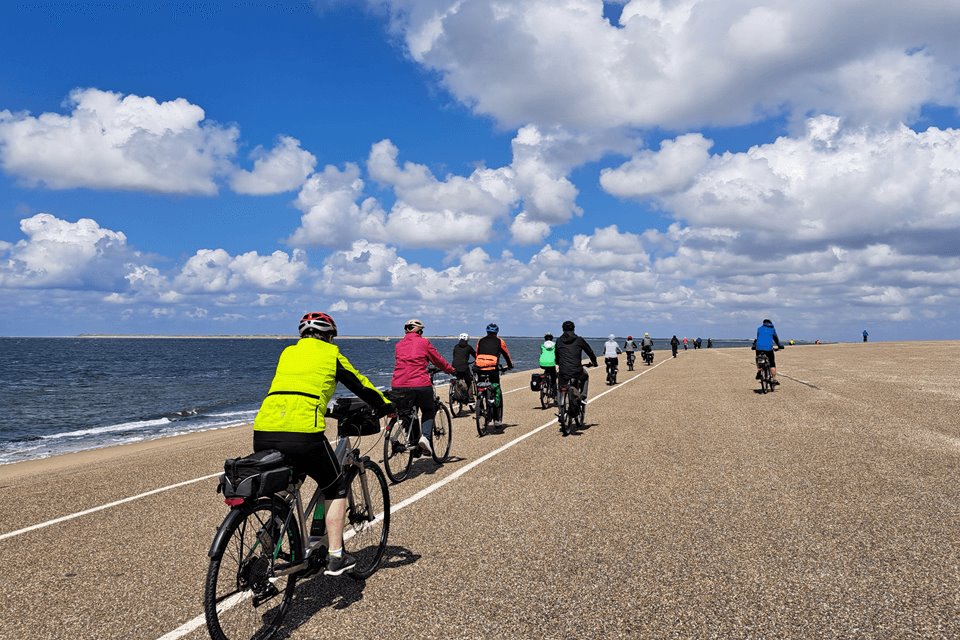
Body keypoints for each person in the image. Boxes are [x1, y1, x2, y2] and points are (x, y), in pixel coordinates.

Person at [253, 312, 394, 576]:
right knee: (336, 485)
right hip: (304, 433)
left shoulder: (287, 353)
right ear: (329, 336)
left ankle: (271, 530)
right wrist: (384, 405)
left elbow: (296, 387)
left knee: (290, 480)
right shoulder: (331, 354)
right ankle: (336, 556)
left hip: (264, 429)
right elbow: (359, 384)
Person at [391, 318, 456, 456]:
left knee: (408, 413)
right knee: (428, 409)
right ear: (419, 331)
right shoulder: (424, 342)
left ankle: (414, 446)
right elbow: (438, 360)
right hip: (420, 384)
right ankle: (425, 438)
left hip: (398, 385)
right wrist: (450, 370)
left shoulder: (399, 345)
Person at [555, 320, 598, 433]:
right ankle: (583, 397)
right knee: (585, 376)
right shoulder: (579, 340)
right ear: (574, 329)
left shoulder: (559, 341)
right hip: (577, 370)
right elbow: (589, 351)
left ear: (562, 329)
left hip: (563, 371)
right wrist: (594, 362)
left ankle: (560, 408)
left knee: (561, 386)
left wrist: (559, 362)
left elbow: (557, 356)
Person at [475, 323, 514, 425]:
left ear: (487, 331)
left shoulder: (480, 340)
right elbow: (506, 355)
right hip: (492, 369)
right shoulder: (500, 341)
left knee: (480, 385)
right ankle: (497, 419)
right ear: (497, 332)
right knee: (496, 389)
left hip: (480, 368)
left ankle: (480, 404)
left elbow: (477, 354)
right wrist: (510, 366)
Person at [755, 318, 783, 385]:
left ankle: (759, 371)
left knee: (759, 360)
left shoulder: (759, 328)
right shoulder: (772, 329)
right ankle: (774, 379)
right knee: (772, 363)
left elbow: (759, 337)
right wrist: (779, 345)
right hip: (768, 349)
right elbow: (775, 338)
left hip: (758, 348)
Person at [451, 332, 476, 405]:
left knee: (458, 380)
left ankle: (456, 396)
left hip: (454, 366)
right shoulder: (468, 347)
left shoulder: (456, 346)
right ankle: (471, 398)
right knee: (469, 381)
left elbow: (454, 356)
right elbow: (476, 356)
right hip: (464, 367)